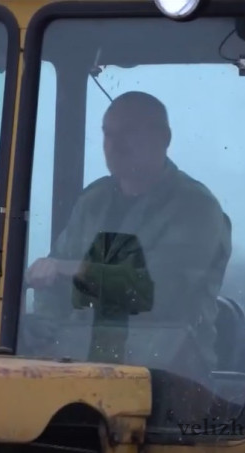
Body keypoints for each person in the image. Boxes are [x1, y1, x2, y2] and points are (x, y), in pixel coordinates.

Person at [24, 91, 232, 368]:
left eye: (128, 133)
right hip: (80, 362)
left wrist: (70, 270)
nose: (114, 145)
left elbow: (158, 293)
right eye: (108, 134)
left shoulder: (196, 209)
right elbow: (51, 284)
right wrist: (48, 334)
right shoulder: (92, 202)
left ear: (164, 138)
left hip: (169, 371)